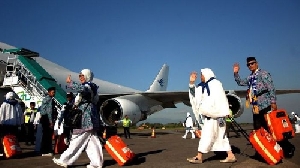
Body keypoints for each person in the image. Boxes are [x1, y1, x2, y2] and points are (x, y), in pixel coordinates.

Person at [53, 69, 103, 168]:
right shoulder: (91, 86)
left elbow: (82, 89)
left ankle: (65, 160)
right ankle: (97, 164)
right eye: (79, 75)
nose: (80, 77)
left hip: (85, 116)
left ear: (87, 76)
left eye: (82, 75)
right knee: (92, 142)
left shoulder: (89, 86)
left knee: (77, 138)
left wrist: (71, 83)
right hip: (89, 115)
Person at [187, 68, 237, 164]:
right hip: (211, 117)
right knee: (220, 137)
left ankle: (199, 157)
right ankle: (230, 155)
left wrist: (221, 112)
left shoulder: (216, 84)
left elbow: (221, 100)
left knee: (210, 136)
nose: (201, 77)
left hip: (217, 117)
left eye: (202, 75)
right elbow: (195, 95)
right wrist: (191, 83)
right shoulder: (203, 86)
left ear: (207, 74)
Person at [233, 57, 277, 131]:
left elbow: (270, 87)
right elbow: (240, 82)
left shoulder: (263, 73)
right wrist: (236, 73)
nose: (250, 65)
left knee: (268, 126)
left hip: (265, 104)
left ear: (257, 63)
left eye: (252, 63)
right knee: (258, 127)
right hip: (256, 106)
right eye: (248, 64)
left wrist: (273, 102)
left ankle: (275, 142)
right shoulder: (250, 77)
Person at [39, 87, 57, 157]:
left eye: (54, 92)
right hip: (47, 118)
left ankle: (44, 150)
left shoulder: (45, 99)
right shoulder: (49, 100)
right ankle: (46, 151)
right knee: (47, 135)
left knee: (45, 135)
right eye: (53, 92)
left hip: (44, 118)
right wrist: (51, 121)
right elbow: (49, 111)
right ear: (49, 92)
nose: (54, 93)